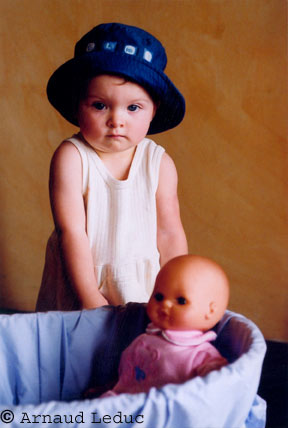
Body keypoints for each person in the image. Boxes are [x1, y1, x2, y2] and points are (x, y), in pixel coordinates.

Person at [36, 23, 188, 311]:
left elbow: (169, 233)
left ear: (153, 110)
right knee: (78, 351)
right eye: (99, 105)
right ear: (78, 105)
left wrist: (178, 286)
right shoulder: (71, 158)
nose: (116, 120)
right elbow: (71, 231)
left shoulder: (159, 164)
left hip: (140, 279)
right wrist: (89, 295)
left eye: (133, 108)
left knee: (137, 348)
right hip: (81, 275)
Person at [99, 255, 229, 396]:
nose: (165, 304)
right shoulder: (145, 337)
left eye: (181, 300)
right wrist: (113, 386)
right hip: (122, 402)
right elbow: (129, 376)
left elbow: (216, 391)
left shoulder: (201, 356)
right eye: (159, 297)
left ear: (210, 311)